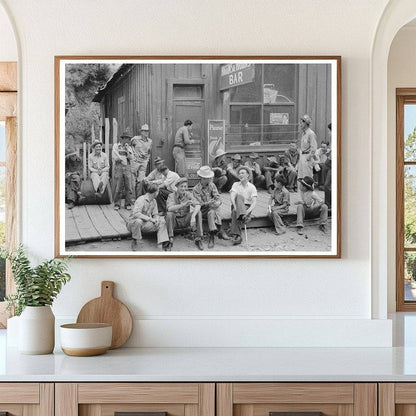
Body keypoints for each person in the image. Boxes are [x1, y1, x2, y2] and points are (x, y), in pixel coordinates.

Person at [193, 165, 230, 248]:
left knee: (212, 211)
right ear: (202, 178)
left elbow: (218, 197)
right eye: (208, 178)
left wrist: (218, 202)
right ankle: (220, 230)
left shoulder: (212, 185)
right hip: (202, 210)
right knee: (212, 209)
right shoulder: (196, 189)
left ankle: (212, 236)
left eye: (210, 177)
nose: (210, 179)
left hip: (211, 210)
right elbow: (199, 204)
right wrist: (208, 203)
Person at [127, 183, 170, 251]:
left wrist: (156, 219)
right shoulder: (141, 199)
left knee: (162, 222)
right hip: (133, 224)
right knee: (138, 221)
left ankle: (162, 243)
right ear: (155, 193)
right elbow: (136, 214)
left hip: (145, 224)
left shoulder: (154, 201)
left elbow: (155, 214)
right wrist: (150, 219)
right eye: (158, 191)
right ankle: (135, 240)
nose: (158, 193)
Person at [166, 177, 204, 251]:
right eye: (181, 186)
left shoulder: (188, 194)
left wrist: (193, 216)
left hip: (185, 219)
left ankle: (198, 238)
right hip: (175, 221)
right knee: (169, 214)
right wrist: (183, 204)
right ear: (177, 187)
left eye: (185, 187)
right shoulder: (171, 196)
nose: (183, 189)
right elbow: (169, 208)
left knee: (198, 212)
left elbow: (198, 205)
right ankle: (170, 239)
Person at [229, 166, 257, 246]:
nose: (240, 175)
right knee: (238, 196)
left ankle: (237, 236)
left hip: (247, 207)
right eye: (239, 173)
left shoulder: (252, 187)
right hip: (236, 205)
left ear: (248, 175)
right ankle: (243, 217)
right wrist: (234, 206)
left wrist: (247, 212)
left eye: (243, 173)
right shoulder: (235, 184)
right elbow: (232, 197)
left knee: (235, 213)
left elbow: (254, 203)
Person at [112, 134, 134, 210]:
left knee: (129, 186)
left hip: (127, 167)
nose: (129, 141)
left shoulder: (129, 147)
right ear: (124, 139)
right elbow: (115, 156)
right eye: (128, 139)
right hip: (119, 167)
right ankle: (117, 204)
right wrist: (121, 158)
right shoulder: (116, 146)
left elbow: (131, 157)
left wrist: (127, 151)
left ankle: (128, 203)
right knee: (119, 186)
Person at [130, 124, 152, 199]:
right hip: (135, 162)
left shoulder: (150, 141)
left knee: (141, 180)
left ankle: (138, 198)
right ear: (141, 132)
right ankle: (132, 198)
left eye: (147, 131)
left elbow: (149, 152)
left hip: (143, 162)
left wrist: (147, 160)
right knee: (133, 180)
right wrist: (132, 156)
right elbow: (130, 147)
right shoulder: (135, 139)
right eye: (144, 131)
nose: (146, 133)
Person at [298, 115, 318, 179]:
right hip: (302, 156)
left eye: (301, 123)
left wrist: (309, 156)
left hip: (307, 157)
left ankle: (309, 189)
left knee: (307, 177)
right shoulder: (303, 133)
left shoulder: (311, 133)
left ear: (306, 123)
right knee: (301, 176)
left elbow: (314, 147)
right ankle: (301, 189)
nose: (300, 124)